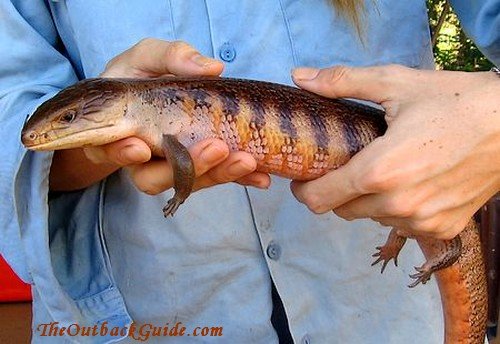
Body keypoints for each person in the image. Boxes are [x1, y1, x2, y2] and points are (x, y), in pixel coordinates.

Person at [0, 1, 498, 343]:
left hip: (383, 314)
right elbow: (16, 126)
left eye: (71, 118)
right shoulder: (131, 114)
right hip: (147, 310)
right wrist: (98, 151)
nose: (59, 126)